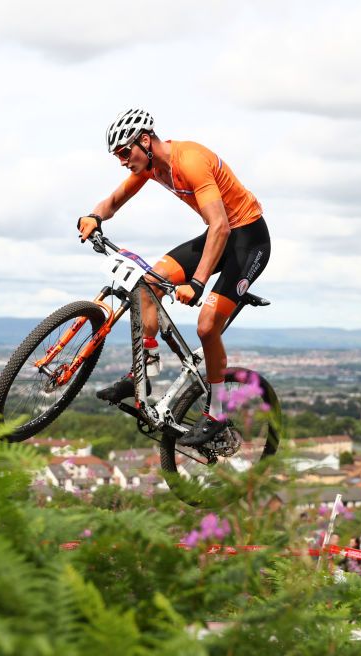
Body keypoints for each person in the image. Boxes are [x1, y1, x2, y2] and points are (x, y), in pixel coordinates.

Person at [77, 108, 271, 447]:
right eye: (118, 156)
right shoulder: (151, 166)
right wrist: (94, 216)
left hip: (248, 240)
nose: (123, 161)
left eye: (125, 152)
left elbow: (221, 225)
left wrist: (196, 283)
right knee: (149, 284)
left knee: (207, 325)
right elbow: (114, 200)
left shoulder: (190, 160)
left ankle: (217, 413)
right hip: (218, 236)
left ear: (145, 140)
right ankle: (144, 372)